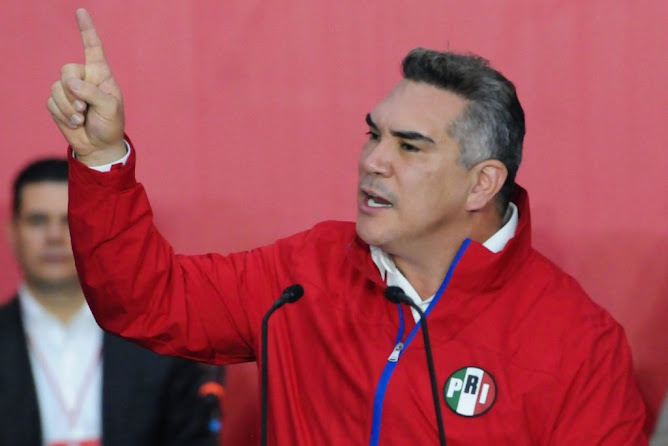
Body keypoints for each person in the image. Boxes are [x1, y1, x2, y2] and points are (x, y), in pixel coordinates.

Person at [46, 8, 647, 445]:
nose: (373, 161)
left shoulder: (579, 342)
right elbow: (143, 300)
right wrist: (101, 158)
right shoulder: (303, 275)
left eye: (409, 146)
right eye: (373, 134)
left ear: (482, 183)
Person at [1, 157, 221, 446]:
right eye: (38, 221)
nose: (54, 236)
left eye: (69, 221)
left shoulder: (157, 339)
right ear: (13, 232)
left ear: (93, 230)